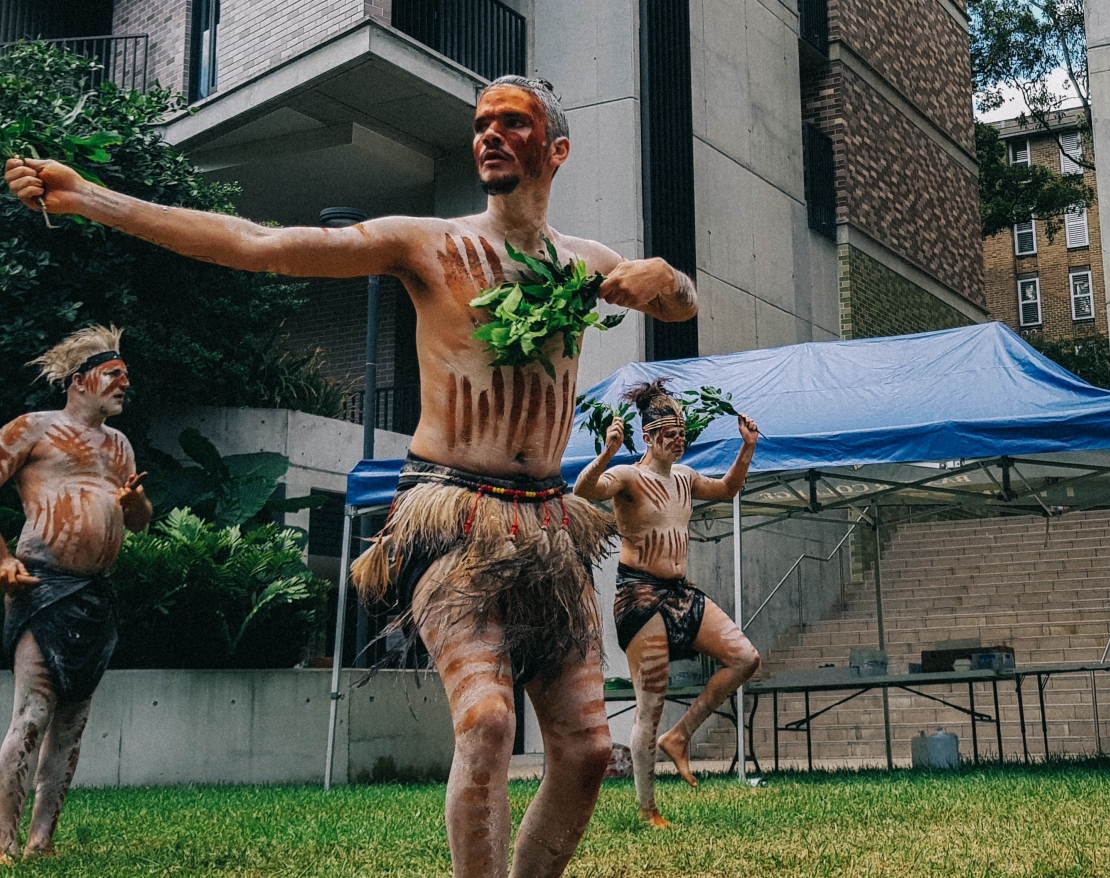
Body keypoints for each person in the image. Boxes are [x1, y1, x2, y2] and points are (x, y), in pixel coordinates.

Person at [5, 75, 698, 877]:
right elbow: (257, 243)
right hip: (453, 515)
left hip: (547, 523)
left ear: (557, 149)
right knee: (486, 725)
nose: (489, 135)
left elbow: (680, 301)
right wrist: (93, 197)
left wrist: (662, 278)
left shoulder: (586, 265)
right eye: (481, 124)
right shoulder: (427, 242)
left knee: (583, 752)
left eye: (513, 123)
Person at [573, 379, 760, 828]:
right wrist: (607, 451)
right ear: (649, 437)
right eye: (671, 436)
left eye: (683, 436)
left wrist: (747, 448)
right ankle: (647, 808)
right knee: (649, 706)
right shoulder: (628, 477)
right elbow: (583, 490)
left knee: (744, 658)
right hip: (640, 597)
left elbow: (727, 490)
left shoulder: (685, 477)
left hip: (680, 593)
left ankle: (680, 737)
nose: (680, 442)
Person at [0, 325, 150, 862]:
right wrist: (3, 559)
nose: (125, 384)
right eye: (115, 375)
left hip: (95, 594)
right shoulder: (32, 429)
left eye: (127, 377)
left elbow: (141, 523)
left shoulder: (120, 446)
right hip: (43, 588)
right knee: (33, 714)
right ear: (81, 382)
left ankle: (41, 842)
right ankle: (3, 842)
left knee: (71, 726)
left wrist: (135, 507)